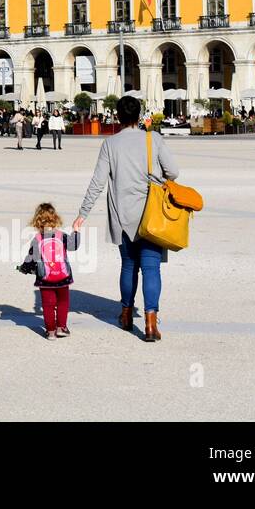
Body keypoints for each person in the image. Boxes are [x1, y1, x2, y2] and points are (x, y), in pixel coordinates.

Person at [73, 95, 178, 343]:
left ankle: (126, 314)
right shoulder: (154, 139)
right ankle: (151, 323)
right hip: (152, 215)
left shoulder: (110, 144)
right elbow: (174, 172)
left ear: (118, 116)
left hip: (122, 215)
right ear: (139, 115)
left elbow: (98, 183)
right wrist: (156, 178)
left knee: (129, 266)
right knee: (151, 268)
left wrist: (82, 214)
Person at [21, 202, 81, 339]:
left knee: (48, 305)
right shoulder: (62, 236)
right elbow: (73, 245)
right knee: (63, 302)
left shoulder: (37, 239)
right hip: (63, 276)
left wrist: (25, 268)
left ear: (37, 221)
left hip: (45, 278)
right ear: (55, 218)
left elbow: (32, 257)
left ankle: (50, 331)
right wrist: (76, 231)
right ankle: (61, 327)